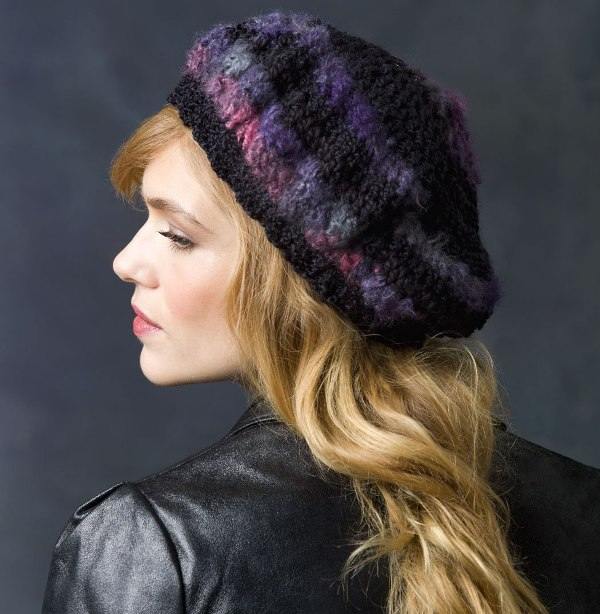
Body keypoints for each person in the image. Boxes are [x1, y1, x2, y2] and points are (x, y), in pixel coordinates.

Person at [41, 10, 600, 614]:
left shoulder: (155, 548)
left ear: (302, 281)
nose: (125, 262)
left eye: (178, 235)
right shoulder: (584, 509)